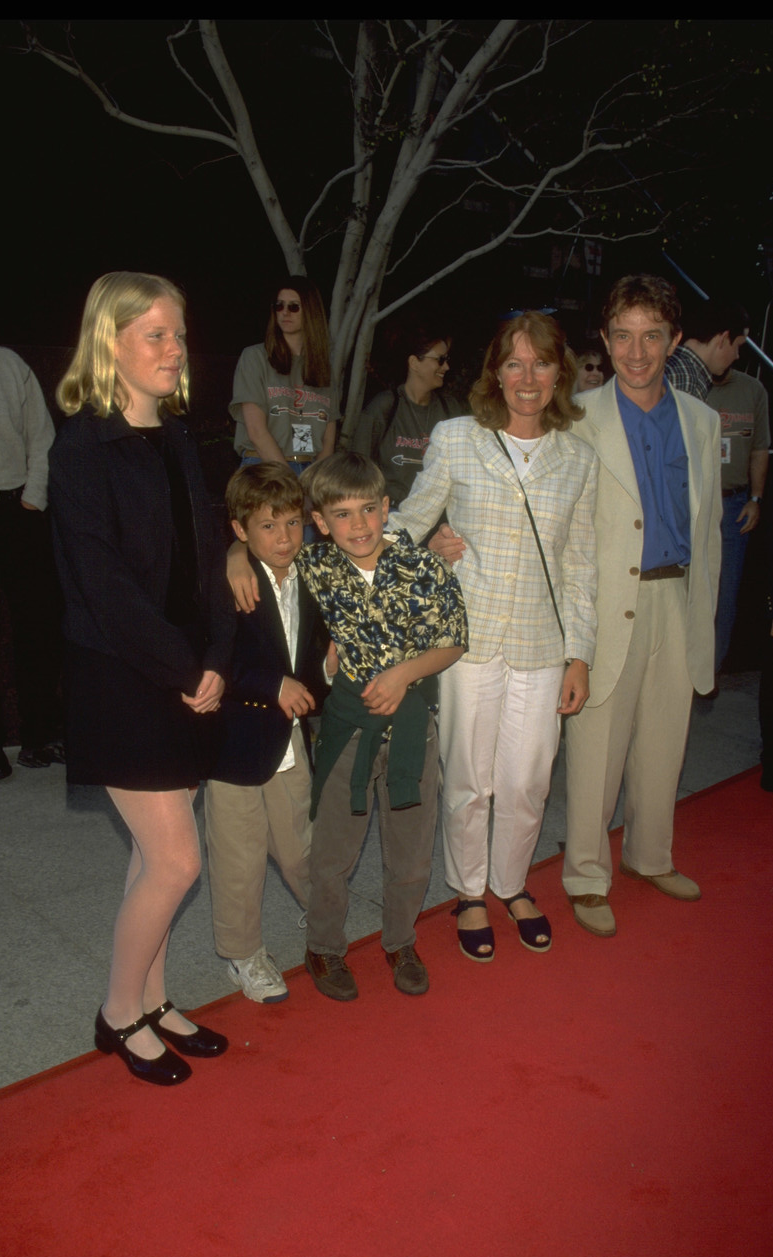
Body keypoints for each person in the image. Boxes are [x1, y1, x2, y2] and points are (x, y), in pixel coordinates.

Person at [49, 271, 235, 1085]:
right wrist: (183, 667)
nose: (171, 348)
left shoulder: (178, 436)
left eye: (177, 334)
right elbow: (103, 584)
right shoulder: (82, 446)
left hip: (191, 669)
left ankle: (153, 999)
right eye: (153, 334)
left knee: (152, 858)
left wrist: (219, 659)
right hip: (124, 673)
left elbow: (207, 558)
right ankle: (119, 1011)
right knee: (176, 862)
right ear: (110, 342)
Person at [390, 311, 598, 961]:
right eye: (513, 363)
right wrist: (427, 549)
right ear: (495, 374)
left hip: (541, 643)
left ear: (559, 372)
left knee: (528, 778)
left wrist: (579, 656)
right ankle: (471, 891)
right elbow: (405, 524)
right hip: (469, 640)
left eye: (540, 363)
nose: (527, 377)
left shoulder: (578, 459)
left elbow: (580, 567)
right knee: (469, 778)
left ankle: (511, 883)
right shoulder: (457, 438)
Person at [561, 274, 722, 937]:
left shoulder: (702, 420)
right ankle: (585, 875)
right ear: (603, 337)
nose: (635, 352)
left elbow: (707, 524)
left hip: (676, 595)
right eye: (622, 336)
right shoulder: (573, 418)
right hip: (604, 606)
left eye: (651, 336)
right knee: (596, 748)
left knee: (663, 741)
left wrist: (706, 609)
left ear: (673, 340)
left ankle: (650, 855)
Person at [298, 453, 467, 1000]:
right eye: (342, 514)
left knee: (413, 851)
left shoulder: (424, 568)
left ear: (387, 507)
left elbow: (454, 638)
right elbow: (253, 552)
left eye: (369, 509)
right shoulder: (312, 567)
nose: (359, 525)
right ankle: (323, 948)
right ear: (321, 521)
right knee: (332, 851)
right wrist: (234, 554)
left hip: (412, 726)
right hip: (347, 728)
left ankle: (400, 940)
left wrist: (402, 675)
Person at [204, 463, 331, 1003]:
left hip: (288, 740)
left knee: (301, 843)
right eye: (268, 527)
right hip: (232, 744)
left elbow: (310, 665)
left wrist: (324, 672)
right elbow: (214, 659)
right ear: (240, 531)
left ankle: (325, 918)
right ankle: (243, 954)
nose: (284, 538)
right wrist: (271, 685)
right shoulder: (229, 577)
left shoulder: (314, 574)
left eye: (293, 524)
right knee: (239, 855)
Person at [0, 340, 64, 779]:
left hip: (15, 509)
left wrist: (33, 499)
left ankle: (41, 735)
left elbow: (42, 436)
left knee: (38, 623)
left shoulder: (7, 363)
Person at [349, 322, 467, 507]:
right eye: (440, 359)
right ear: (414, 363)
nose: (446, 367)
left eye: (447, 359)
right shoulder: (385, 406)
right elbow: (359, 466)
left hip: (435, 516)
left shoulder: (449, 409)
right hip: (392, 512)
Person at [230, 276, 338, 475]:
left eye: (294, 307)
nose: (285, 312)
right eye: (279, 306)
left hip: (310, 470)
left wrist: (311, 483)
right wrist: (289, 481)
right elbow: (256, 431)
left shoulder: (324, 369)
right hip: (262, 466)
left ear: (310, 311)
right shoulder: (255, 357)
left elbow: (328, 441)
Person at [706, 365, 770, 674]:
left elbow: (760, 448)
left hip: (734, 504)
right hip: (694, 504)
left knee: (726, 594)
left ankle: (711, 672)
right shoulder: (689, 381)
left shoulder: (753, 389)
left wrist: (755, 498)